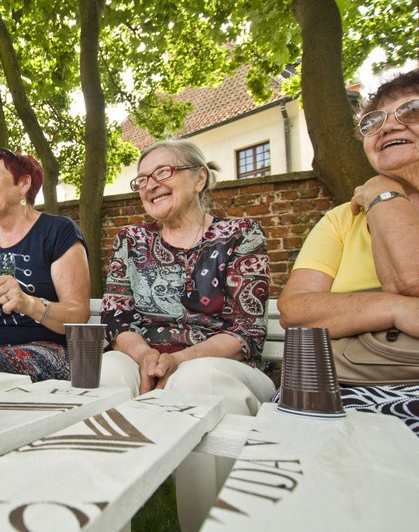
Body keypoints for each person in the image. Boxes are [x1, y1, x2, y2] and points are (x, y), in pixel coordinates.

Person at [99, 139, 273, 531]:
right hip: (145, 359)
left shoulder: (240, 234)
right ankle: (105, 521)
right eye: (142, 179)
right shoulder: (131, 241)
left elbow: (246, 331)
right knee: (106, 371)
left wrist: (178, 362)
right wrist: (145, 355)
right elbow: (116, 318)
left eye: (164, 172)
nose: (150, 184)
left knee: (199, 380)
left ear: (199, 179)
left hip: (223, 365)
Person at [278, 69, 419, 436]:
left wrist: (382, 194)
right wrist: (394, 308)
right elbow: (295, 310)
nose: (387, 127)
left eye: (412, 111)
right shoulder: (343, 218)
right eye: (375, 122)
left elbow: (411, 278)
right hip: (337, 385)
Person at [0, 149, 90, 381]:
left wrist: (27, 303)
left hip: (47, 350)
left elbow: (79, 315)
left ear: (23, 184)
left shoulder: (57, 231)